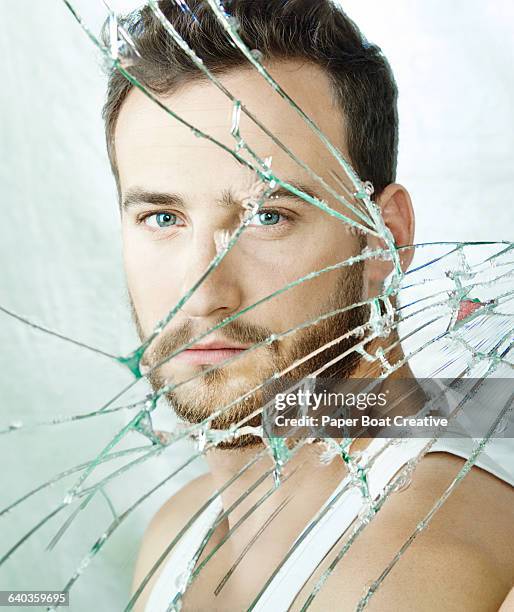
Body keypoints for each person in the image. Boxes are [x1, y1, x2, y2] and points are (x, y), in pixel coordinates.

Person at [102, 1, 514, 609]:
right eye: (162, 217)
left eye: (268, 216)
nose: (203, 292)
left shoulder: (440, 567)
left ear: (384, 237)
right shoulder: (175, 533)